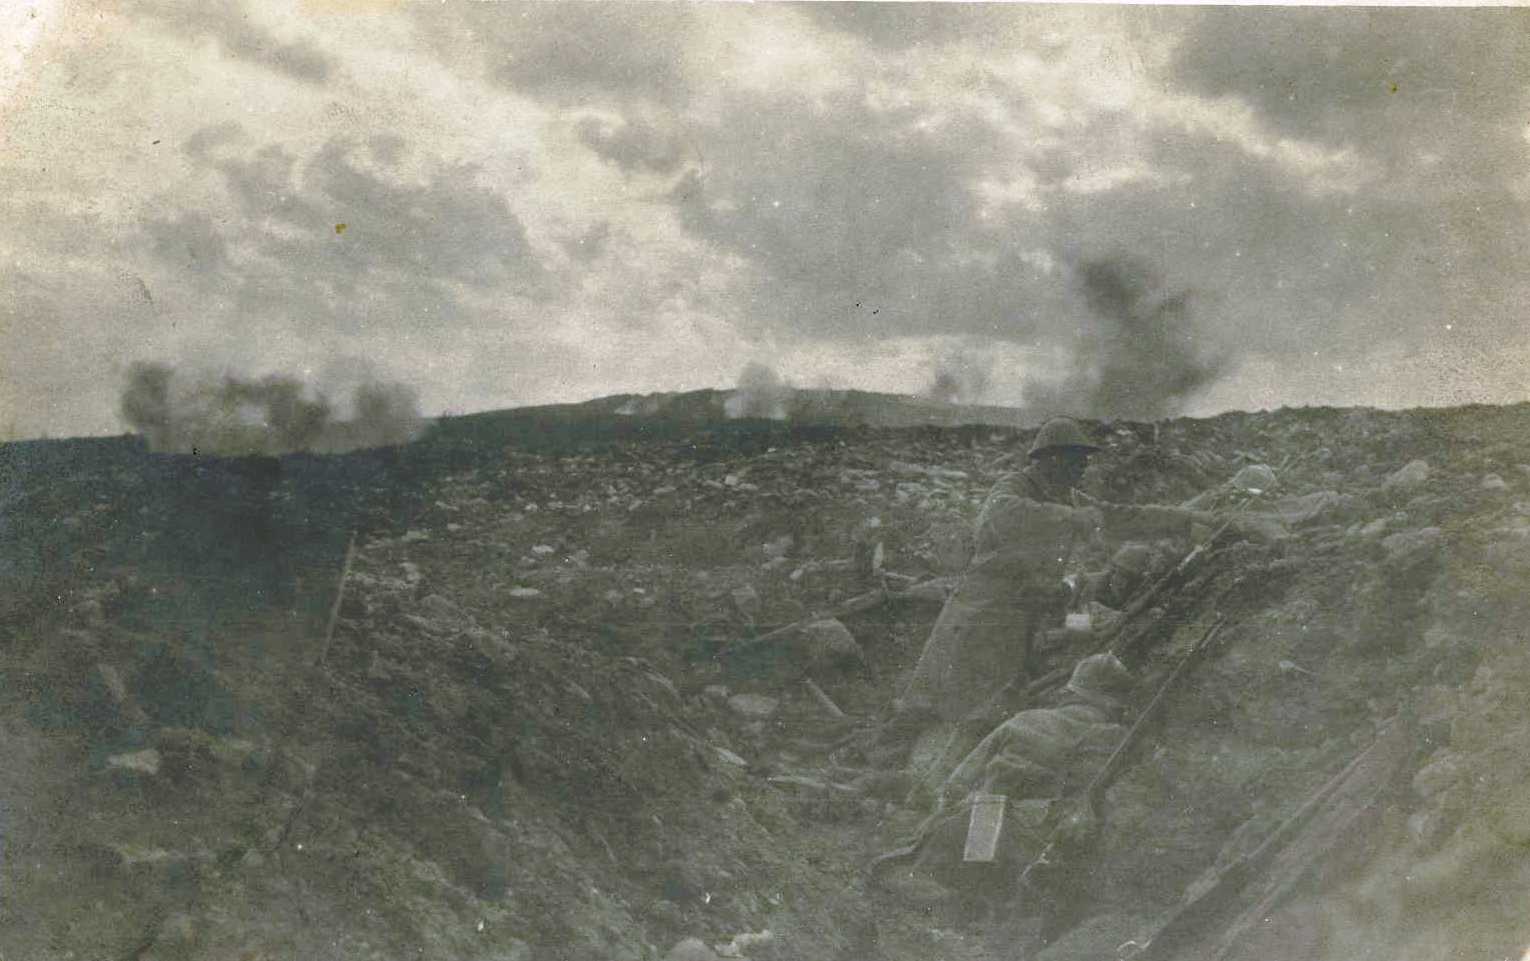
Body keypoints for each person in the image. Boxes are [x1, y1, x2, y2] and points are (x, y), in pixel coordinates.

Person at [900, 417, 1208, 725]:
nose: (1085, 467)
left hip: (1021, 617)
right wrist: (1070, 518)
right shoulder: (1016, 486)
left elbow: (1122, 517)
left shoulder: (1067, 495)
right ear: (1054, 459)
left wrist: (1188, 517)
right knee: (935, 702)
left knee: (991, 706)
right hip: (982, 613)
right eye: (1079, 460)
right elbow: (1002, 513)